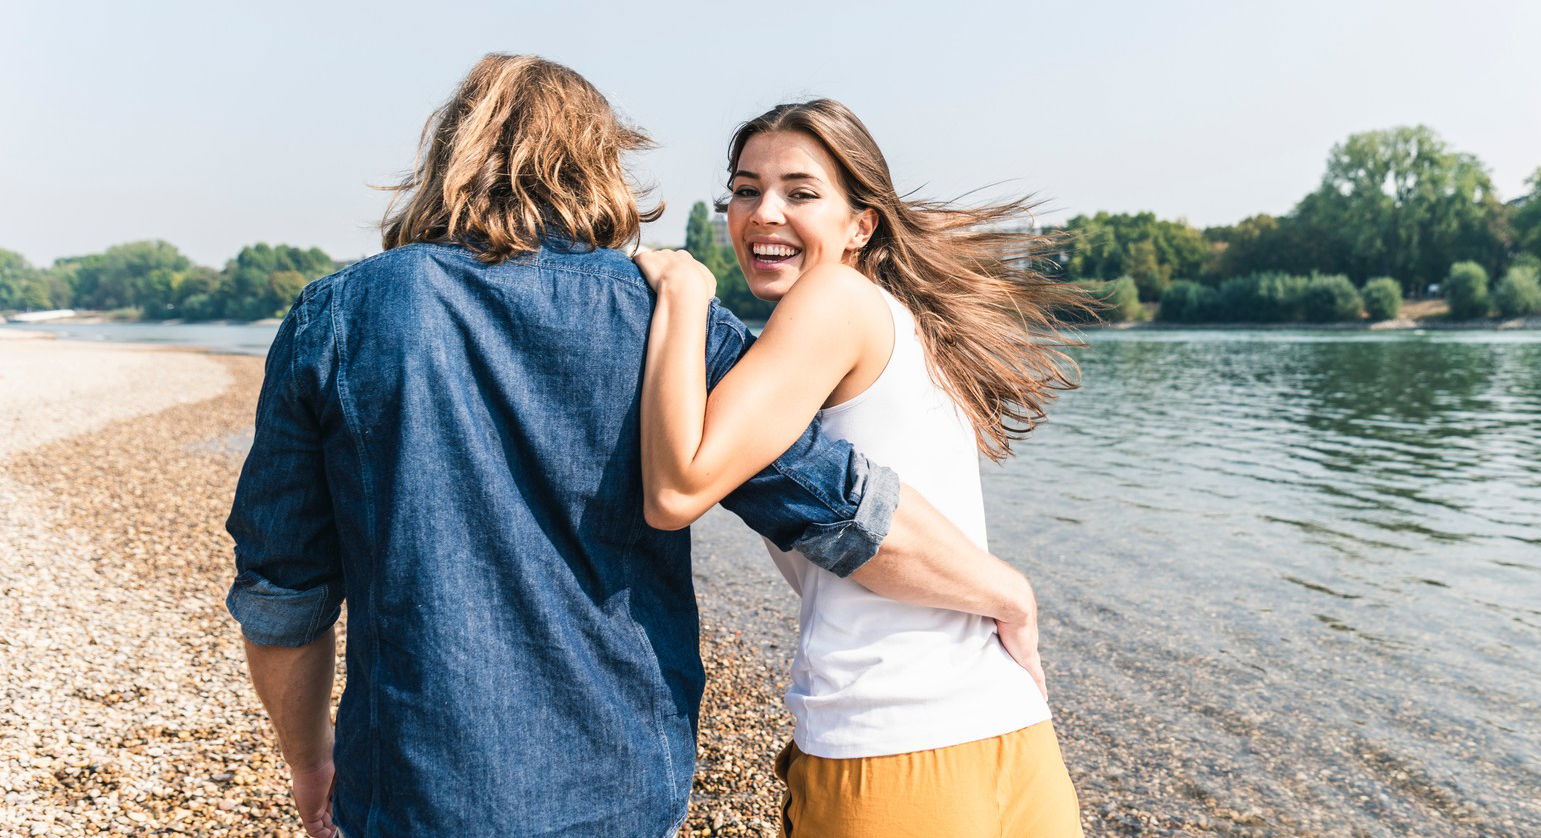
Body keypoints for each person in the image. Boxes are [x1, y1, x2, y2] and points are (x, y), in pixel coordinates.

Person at [224, 55, 1045, 838]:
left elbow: (283, 590)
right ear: (599, 165)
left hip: (416, 780)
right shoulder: (657, 314)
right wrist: (1003, 590)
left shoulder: (337, 317)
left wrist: (310, 761)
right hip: (621, 780)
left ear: (448, 158)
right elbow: (830, 502)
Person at [634, 99, 1089, 838]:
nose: (763, 213)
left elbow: (676, 489)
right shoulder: (897, 320)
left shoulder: (834, 298)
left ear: (861, 224)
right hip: (1012, 736)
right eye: (745, 190)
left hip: (892, 750)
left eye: (800, 192)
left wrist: (685, 297)